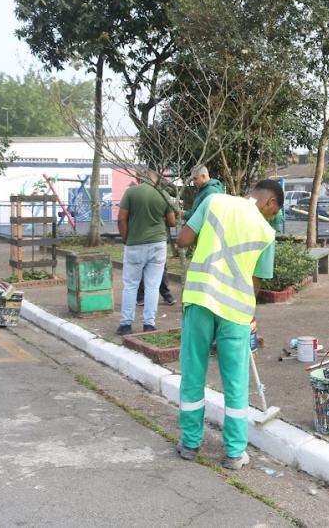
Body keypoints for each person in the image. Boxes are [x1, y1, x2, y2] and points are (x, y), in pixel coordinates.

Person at [175, 179, 282, 470]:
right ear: (270, 202)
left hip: (200, 298)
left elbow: (183, 240)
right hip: (236, 310)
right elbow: (256, 282)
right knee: (235, 383)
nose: (270, 217)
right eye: (273, 212)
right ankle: (234, 453)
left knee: (193, 372)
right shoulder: (266, 232)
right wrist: (249, 313)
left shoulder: (215, 202)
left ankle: (190, 443)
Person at [116, 172, 177, 336]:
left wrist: (126, 239)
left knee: (130, 285)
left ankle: (126, 325)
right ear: (155, 180)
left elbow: (121, 218)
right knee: (153, 286)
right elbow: (172, 222)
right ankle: (149, 324)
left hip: (135, 244)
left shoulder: (131, 192)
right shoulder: (163, 193)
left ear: (137, 179)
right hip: (158, 244)